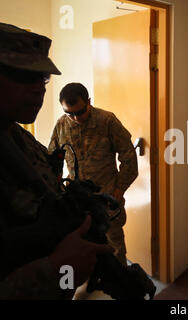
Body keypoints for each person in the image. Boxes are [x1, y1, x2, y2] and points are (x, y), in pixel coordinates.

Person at [0, 22, 113, 299]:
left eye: (43, 78)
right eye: (24, 76)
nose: (39, 89)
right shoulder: (54, 127)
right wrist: (54, 269)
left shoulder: (17, 137)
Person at [48, 83, 138, 266]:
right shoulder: (61, 124)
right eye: (70, 113)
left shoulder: (107, 121)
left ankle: (122, 285)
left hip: (107, 198)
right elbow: (51, 159)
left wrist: (120, 188)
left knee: (114, 246)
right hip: (78, 200)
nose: (76, 118)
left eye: (80, 112)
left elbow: (129, 157)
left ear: (88, 102)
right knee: (84, 245)